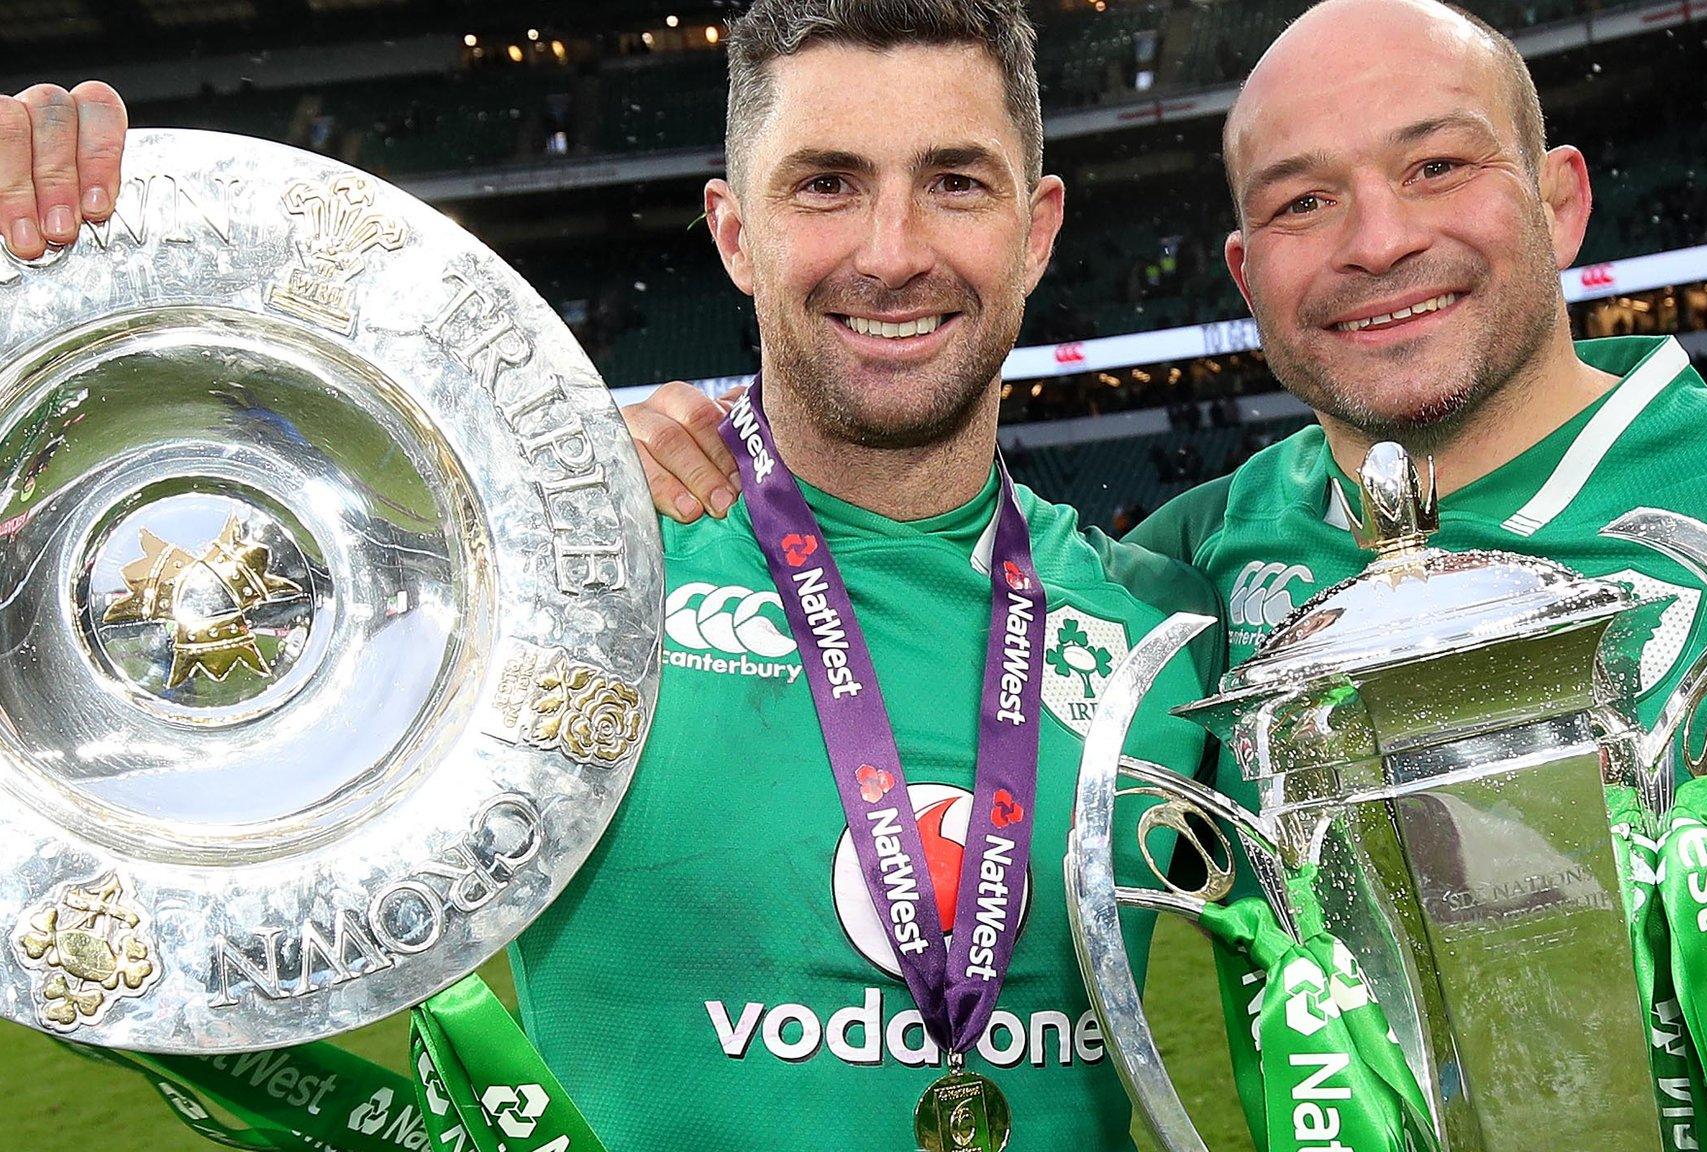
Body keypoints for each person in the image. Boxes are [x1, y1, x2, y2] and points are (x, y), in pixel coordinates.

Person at [570, 0, 1707, 1140]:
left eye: (1436, 166)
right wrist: (589, 488)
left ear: (1563, 200)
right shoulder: (1191, 581)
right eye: (1300, 201)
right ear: (1244, 271)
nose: (1378, 240)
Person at [0, 4, 1232, 1150]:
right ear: (735, 234)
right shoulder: (547, 590)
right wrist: (39, 251)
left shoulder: (1161, 636)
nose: (891, 251)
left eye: (954, 182)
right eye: (824, 185)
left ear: (1038, 229)